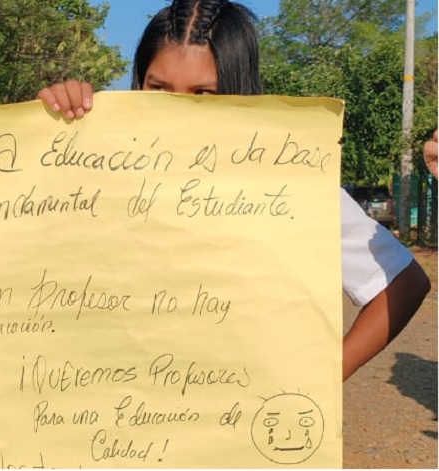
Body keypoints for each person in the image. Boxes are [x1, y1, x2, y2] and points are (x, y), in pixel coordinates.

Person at [38, 0, 430, 381]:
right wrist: (55, 125)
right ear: (138, 81)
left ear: (237, 88)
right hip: (115, 420)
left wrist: (322, 381)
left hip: (234, 432)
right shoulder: (98, 168)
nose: (176, 108)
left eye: (203, 93)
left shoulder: (288, 183)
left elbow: (403, 282)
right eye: (158, 88)